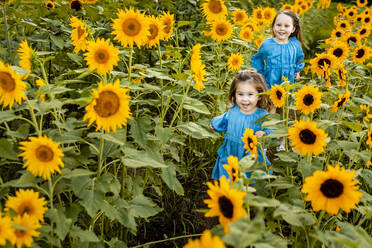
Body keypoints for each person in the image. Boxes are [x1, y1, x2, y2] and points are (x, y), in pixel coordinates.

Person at [210, 69, 273, 181]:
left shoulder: (262, 115)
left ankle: (250, 193)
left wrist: (264, 133)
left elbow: (272, 128)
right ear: (234, 94)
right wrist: (215, 125)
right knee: (228, 176)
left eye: (250, 94)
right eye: (240, 94)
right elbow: (225, 119)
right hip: (231, 151)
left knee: (250, 178)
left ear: (259, 95)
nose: (245, 99)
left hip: (250, 153)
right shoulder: (233, 109)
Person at [251, 10, 305, 91]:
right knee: (270, 99)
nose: (282, 28)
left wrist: (297, 72)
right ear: (273, 26)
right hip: (270, 80)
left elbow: (299, 59)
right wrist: (258, 73)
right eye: (278, 25)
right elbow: (258, 58)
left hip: (288, 81)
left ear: (293, 29)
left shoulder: (295, 44)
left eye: (286, 26)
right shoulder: (267, 44)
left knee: (287, 100)